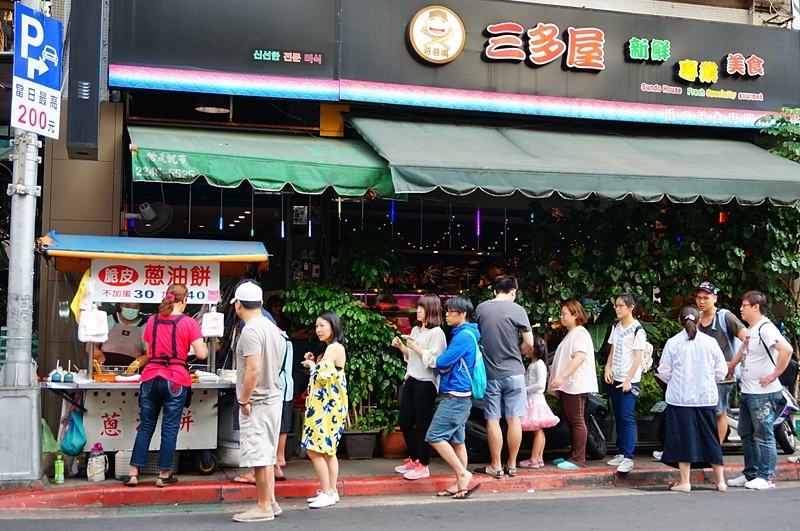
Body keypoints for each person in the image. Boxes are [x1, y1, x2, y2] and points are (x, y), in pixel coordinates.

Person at [123, 284, 208, 487]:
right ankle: (163, 474)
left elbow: (150, 351)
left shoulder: (152, 321)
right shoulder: (188, 323)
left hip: (151, 377)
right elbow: (202, 354)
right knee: (169, 429)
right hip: (176, 379)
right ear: (184, 300)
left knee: (145, 427)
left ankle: (133, 472)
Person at [727, 291, 794, 490]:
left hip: (763, 393)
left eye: (744, 306)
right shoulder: (752, 329)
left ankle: (767, 476)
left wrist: (774, 374)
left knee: (763, 434)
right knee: (746, 433)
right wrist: (732, 365)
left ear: (756, 307)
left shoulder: (766, 328)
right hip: (749, 391)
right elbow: (744, 348)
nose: (741, 309)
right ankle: (751, 473)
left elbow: (786, 349)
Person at [656, 306, 728, 493]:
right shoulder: (710, 342)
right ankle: (720, 481)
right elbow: (721, 372)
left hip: (680, 399)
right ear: (699, 320)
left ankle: (684, 481)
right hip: (706, 397)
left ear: (680, 321)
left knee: (683, 439)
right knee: (711, 438)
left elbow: (664, 372)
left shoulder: (673, 343)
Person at [231, 282, 285, 522]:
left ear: (238, 304)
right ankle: (271, 501)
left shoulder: (251, 330)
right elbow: (275, 365)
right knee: (268, 454)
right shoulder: (272, 327)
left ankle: (263, 506)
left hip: (258, 400)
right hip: (273, 396)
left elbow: (252, 370)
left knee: (260, 456)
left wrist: (243, 400)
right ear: (262, 303)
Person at [474, 275, 533, 479]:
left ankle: (496, 465)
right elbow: (529, 342)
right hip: (515, 373)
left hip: (491, 374)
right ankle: (512, 464)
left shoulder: (482, 308)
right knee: (513, 419)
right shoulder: (518, 310)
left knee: (493, 420)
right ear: (513, 292)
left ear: (494, 291)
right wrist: (517, 351)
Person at [426, 296, 481, 500]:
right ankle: (461, 486)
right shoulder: (467, 334)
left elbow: (441, 361)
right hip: (462, 396)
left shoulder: (463, 337)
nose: (446, 315)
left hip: (455, 396)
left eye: (450, 312)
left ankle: (462, 474)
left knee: (434, 436)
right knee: (458, 442)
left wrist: (443, 365)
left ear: (463, 313)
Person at [391, 293, 447, 480]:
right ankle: (415, 459)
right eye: (418, 307)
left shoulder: (437, 332)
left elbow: (434, 361)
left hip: (426, 383)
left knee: (423, 425)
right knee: (405, 421)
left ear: (431, 310)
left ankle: (424, 464)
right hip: (412, 379)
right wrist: (402, 347)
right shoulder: (416, 330)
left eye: (422, 308)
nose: (419, 310)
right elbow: (412, 357)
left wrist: (414, 347)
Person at [300, 311, 348, 509]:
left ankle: (327, 492)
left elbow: (322, 376)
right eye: (317, 326)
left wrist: (312, 364)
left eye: (322, 326)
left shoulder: (333, 348)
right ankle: (331, 491)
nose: (318, 330)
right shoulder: (333, 348)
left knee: (314, 450)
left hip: (326, 407)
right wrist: (316, 361)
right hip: (330, 405)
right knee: (328, 451)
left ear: (333, 326)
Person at [695, 281, 747, 444]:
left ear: (715, 298)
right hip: (700, 375)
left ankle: (714, 449)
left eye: (706, 298)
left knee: (719, 412)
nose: (701, 301)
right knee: (701, 412)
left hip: (722, 377)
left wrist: (732, 363)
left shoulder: (725, 317)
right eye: (698, 298)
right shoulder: (695, 318)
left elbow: (748, 340)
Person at [548, 300, 598, 469]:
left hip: (575, 384)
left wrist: (561, 377)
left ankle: (578, 458)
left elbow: (579, 357)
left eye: (564, 314)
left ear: (575, 315)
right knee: (572, 420)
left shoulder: (579, 333)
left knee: (576, 420)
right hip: (569, 385)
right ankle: (573, 455)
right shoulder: (572, 333)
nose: (561, 317)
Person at [604, 293, 646, 474]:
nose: (617, 308)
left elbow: (638, 357)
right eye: (616, 305)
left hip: (629, 380)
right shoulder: (617, 327)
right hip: (616, 377)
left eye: (621, 305)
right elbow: (612, 349)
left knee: (627, 416)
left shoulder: (638, 330)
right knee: (619, 416)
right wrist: (607, 367)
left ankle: (628, 457)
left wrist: (629, 380)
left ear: (631, 307)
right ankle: (621, 453)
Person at [519, 335, 559, 469]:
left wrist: (525, 389)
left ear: (531, 348)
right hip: (532, 400)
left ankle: (534, 459)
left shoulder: (539, 364)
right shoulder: (533, 364)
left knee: (537, 431)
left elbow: (540, 385)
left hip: (535, 401)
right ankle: (538, 458)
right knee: (538, 431)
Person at [87, 302, 147, 369]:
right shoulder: (108, 320)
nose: (131, 309)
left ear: (140, 308)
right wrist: (97, 352)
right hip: (103, 368)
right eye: (127, 306)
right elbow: (90, 345)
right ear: (121, 305)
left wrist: (145, 358)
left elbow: (148, 353)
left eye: (135, 307)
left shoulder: (145, 326)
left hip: (132, 372)